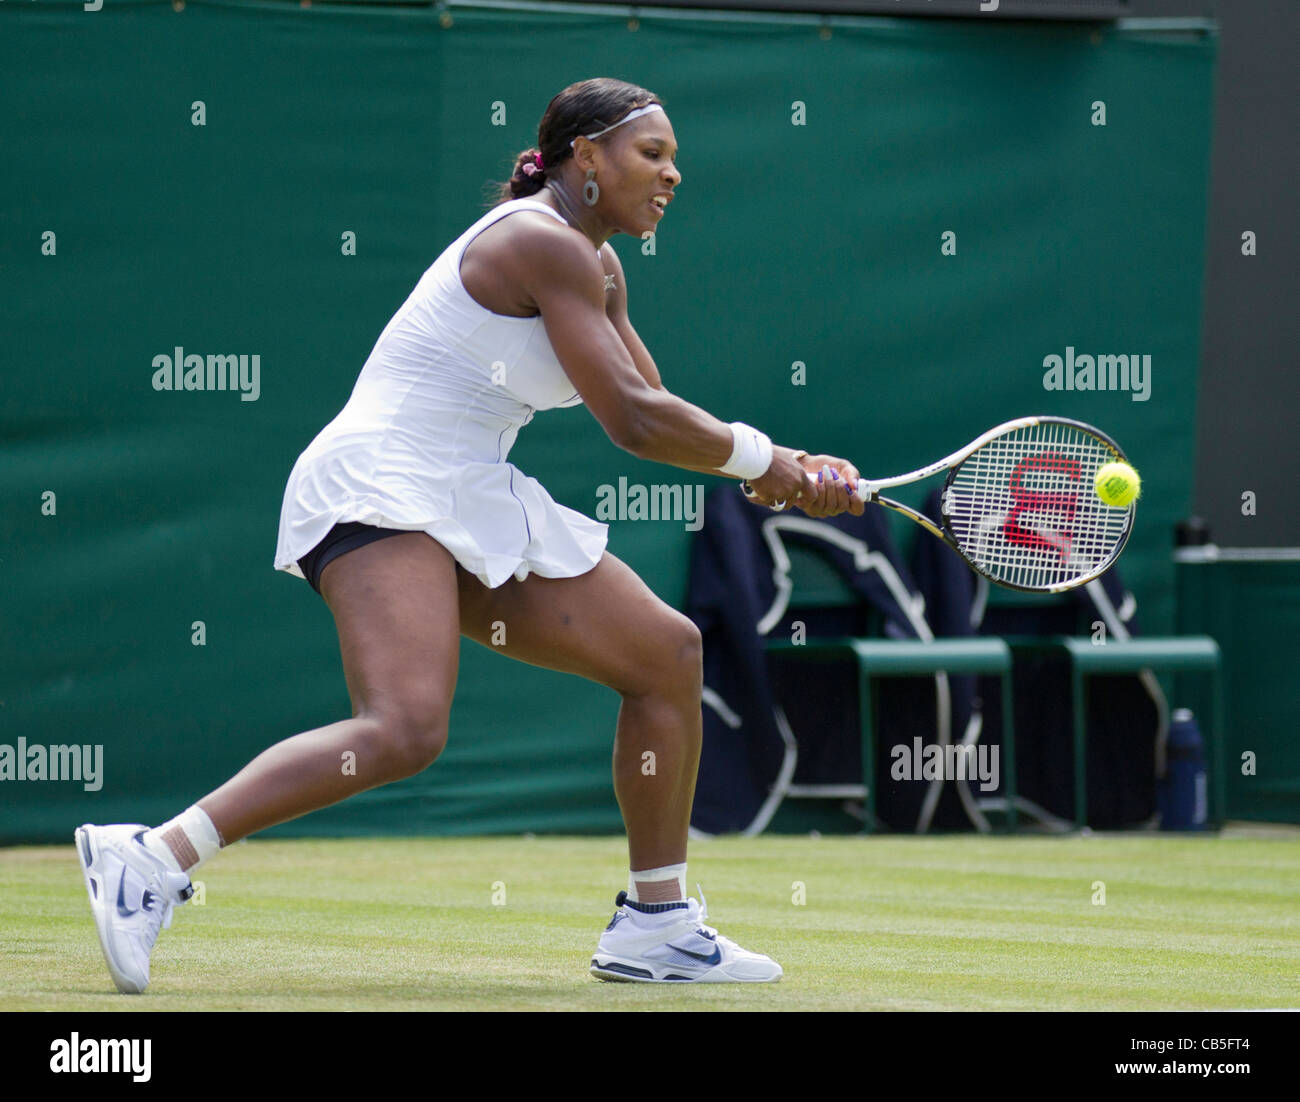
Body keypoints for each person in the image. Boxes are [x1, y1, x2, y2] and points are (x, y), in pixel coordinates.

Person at [75, 77, 865, 992]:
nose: (672, 174)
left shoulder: (599, 266)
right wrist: (764, 463)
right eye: (652, 154)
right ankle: (154, 857)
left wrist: (799, 469)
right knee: (405, 728)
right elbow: (634, 422)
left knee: (664, 655)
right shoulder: (538, 240)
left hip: (465, 488)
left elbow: (660, 405)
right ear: (587, 158)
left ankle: (657, 924)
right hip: (381, 479)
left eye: (676, 158)